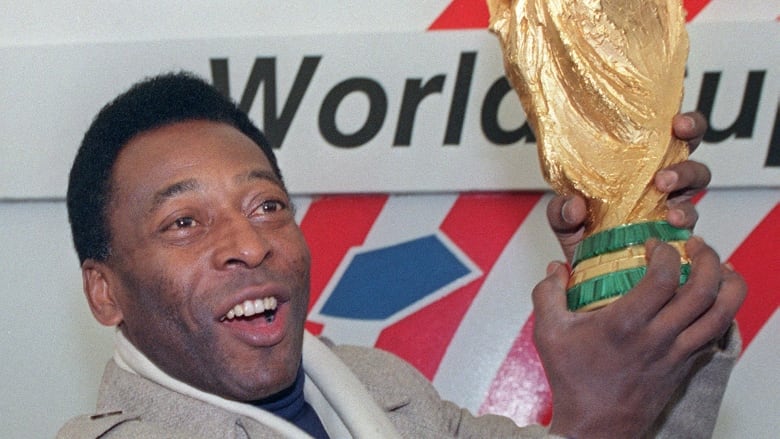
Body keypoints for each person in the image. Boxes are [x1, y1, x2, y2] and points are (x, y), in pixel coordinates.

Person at [58, 72, 745, 438]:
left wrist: (623, 260)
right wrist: (594, 426)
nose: (247, 243)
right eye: (183, 221)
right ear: (105, 290)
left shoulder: (380, 388)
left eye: (266, 204)